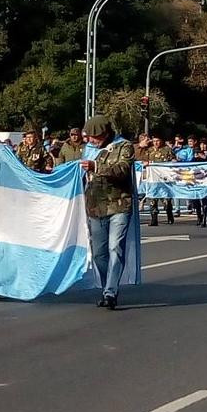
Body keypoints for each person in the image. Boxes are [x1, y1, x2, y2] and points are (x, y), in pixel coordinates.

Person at [79, 115, 134, 310]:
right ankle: (106, 288)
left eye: (94, 136)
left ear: (104, 133)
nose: (90, 140)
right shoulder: (88, 150)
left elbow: (122, 169)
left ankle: (111, 292)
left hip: (119, 205)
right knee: (99, 255)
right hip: (95, 207)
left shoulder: (123, 146)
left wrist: (96, 166)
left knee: (115, 248)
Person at [146, 134, 175, 226]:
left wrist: (173, 161)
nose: (156, 143)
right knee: (152, 199)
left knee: (166, 199)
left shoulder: (167, 150)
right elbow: (143, 161)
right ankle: (154, 219)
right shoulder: (149, 150)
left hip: (164, 179)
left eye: (157, 141)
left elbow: (174, 160)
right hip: (152, 179)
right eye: (154, 141)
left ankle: (169, 216)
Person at [193, 138, 207, 227]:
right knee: (195, 200)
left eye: (204, 144)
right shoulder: (196, 153)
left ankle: (205, 218)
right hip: (197, 179)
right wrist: (196, 157)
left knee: (204, 200)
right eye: (201, 144)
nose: (203, 146)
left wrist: (205, 158)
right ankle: (199, 216)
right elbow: (189, 164)